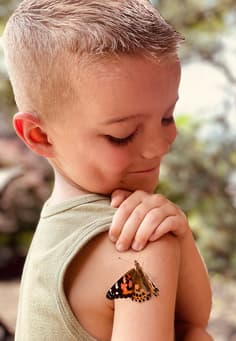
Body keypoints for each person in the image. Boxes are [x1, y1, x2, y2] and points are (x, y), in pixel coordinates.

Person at [3, 0, 213, 340]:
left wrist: (182, 237)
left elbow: (193, 317)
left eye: (167, 117)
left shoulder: (57, 226)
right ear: (40, 136)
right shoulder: (137, 251)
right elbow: (195, 327)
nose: (159, 146)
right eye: (122, 135)